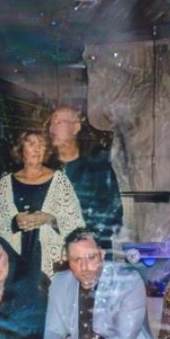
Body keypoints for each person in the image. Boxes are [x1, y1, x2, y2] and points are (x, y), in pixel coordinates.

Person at [0, 126, 83, 283]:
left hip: (49, 260)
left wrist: (49, 218)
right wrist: (14, 223)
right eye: (31, 143)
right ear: (20, 149)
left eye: (41, 144)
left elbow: (76, 224)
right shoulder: (5, 183)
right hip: (15, 259)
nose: (37, 149)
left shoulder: (60, 181)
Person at [46, 104, 122, 249]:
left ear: (76, 127)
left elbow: (111, 212)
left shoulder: (97, 168)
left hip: (89, 254)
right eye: (50, 124)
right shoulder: (45, 170)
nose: (51, 129)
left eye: (58, 122)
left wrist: (84, 243)